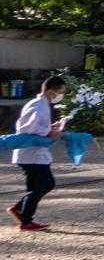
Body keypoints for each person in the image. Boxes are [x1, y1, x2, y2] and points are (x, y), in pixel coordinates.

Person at [9, 76, 65, 231]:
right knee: (42, 186)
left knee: (43, 185)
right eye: (60, 92)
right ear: (51, 91)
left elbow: (35, 126)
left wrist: (51, 128)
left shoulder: (42, 105)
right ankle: (25, 220)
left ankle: (20, 210)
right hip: (31, 155)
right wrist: (49, 132)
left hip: (33, 154)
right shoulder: (38, 105)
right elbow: (27, 127)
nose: (60, 95)